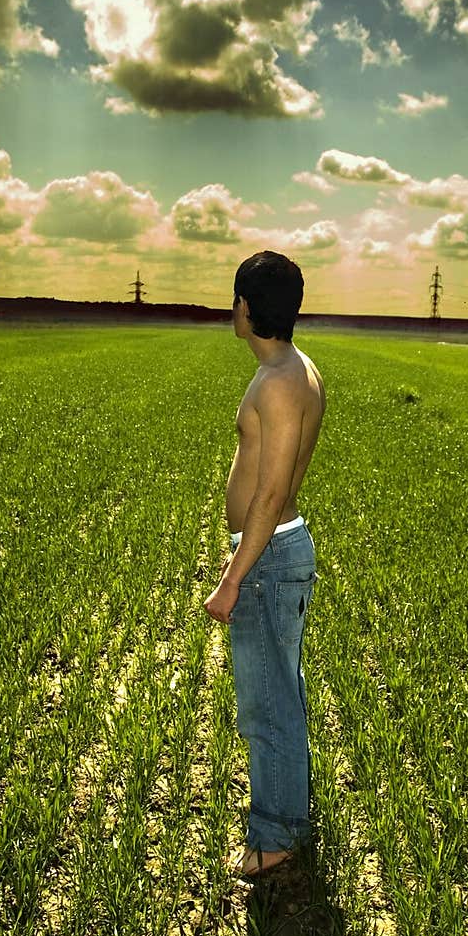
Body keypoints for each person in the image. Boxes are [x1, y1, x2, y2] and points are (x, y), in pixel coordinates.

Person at [203, 251, 326, 880]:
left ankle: (274, 837)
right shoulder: (296, 369)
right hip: (276, 549)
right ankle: (289, 810)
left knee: (266, 703)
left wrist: (232, 578)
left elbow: (271, 493)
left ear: (246, 308)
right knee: (283, 690)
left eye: (235, 299)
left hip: (269, 555)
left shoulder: (279, 383)